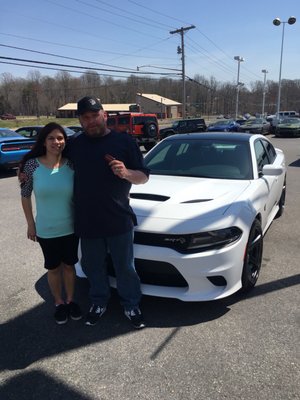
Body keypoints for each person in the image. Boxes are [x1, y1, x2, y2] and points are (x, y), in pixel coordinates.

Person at [66, 96, 149, 329]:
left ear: (104, 115)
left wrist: (126, 173)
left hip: (118, 218)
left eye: (94, 116)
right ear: (80, 120)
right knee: (93, 267)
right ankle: (98, 302)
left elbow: (143, 177)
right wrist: (26, 169)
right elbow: (48, 156)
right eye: (85, 117)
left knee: (125, 267)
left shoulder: (124, 142)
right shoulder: (74, 145)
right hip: (87, 219)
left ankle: (131, 304)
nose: (91, 121)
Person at [20, 122, 82, 325]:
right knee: (53, 268)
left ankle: (71, 300)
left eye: (60, 138)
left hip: (71, 227)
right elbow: (25, 195)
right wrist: (31, 224)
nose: (56, 142)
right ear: (44, 142)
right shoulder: (32, 166)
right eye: (51, 138)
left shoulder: (71, 164)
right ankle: (58, 303)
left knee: (69, 266)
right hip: (46, 229)